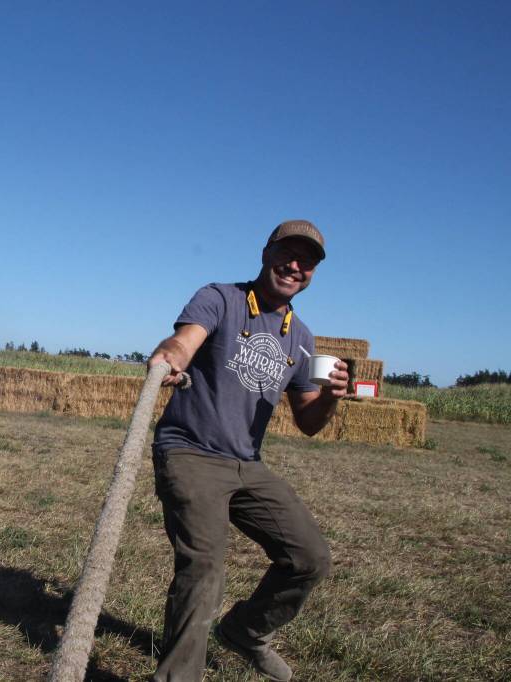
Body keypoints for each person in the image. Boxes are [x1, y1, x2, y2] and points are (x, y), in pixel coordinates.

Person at [147, 220, 349, 682]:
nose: (295, 266)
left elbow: (309, 422)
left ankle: (244, 631)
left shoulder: (301, 337)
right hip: (190, 452)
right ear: (266, 252)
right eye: (288, 254)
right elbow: (184, 340)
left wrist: (333, 395)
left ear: (314, 273)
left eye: (308, 261)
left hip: (246, 464)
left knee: (309, 558)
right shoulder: (221, 297)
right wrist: (171, 356)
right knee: (204, 568)